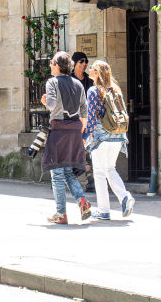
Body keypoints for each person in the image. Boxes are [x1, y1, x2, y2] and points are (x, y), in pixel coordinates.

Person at [41, 51, 91, 224]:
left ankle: (61, 214)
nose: (50, 66)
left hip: (59, 130)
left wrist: (45, 100)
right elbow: (84, 110)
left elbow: (52, 104)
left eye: (51, 63)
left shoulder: (52, 83)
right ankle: (82, 200)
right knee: (68, 170)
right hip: (75, 129)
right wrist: (80, 132)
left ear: (57, 65)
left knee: (57, 172)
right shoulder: (78, 84)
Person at [85, 60, 135, 220]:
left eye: (92, 68)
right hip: (118, 136)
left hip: (101, 138)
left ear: (97, 73)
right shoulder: (116, 90)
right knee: (110, 169)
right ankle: (125, 197)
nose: (89, 69)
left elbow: (91, 118)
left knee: (99, 173)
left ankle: (104, 210)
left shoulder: (94, 91)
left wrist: (86, 137)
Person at [71, 51, 95, 191]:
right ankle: (62, 178)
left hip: (87, 121)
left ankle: (91, 182)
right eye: (81, 61)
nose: (85, 64)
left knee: (87, 150)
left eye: (86, 61)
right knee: (71, 152)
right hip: (72, 120)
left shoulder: (89, 80)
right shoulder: (69, 80)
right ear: (74, 63)